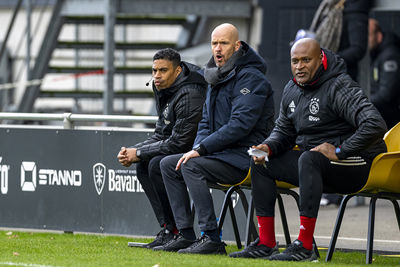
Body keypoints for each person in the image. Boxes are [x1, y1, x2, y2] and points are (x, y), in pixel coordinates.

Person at [229, 38, 387, 261]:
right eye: (295, 61)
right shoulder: (292, 88)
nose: (299, 66)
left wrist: (341, 150)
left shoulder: (339, 85)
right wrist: (267, 147)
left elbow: (375, 124)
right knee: (263, 164)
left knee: (308, 158)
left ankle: (304, 247)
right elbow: (283, 131)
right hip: (315, 165)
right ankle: (265, 243)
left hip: (357, 165)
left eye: (306, 60)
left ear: (321, 59)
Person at [157, 23, 275, 255]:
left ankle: (211, 237)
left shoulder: (251, 78)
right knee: (168, 164)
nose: (218, 49)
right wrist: (198, 148)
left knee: (191, 165)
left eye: (224, 43)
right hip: (221, 155)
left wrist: (200, 150)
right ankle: (185, 235)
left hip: (246, 157)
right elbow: (204, 123)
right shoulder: (214, 76)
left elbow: (240, 125)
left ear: (237, 46)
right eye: (214, 43)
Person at [117, 48, 207, 249]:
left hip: (201, 150)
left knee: (157, 164)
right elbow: (161, 132)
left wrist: (138, 153)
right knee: (144, 165)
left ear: (177, 71)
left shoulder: (191, 93)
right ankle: (169, 229)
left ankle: (183, 232)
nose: (156, 76)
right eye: (154, 70)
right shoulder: (162, 88)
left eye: (163, 71)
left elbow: (180, 142)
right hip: (182, 146)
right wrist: (133, 152)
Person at [368, 18, 400, 129]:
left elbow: (387, 93)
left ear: (379, 36)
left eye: (368, 36)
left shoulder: (390, 55)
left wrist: (363, 101)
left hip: (391, 119)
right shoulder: (377, 53)